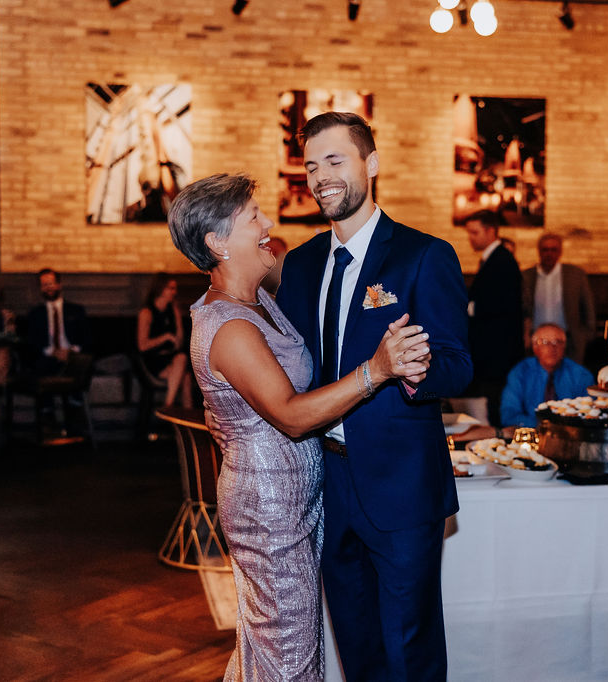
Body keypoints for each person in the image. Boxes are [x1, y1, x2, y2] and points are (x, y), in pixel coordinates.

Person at [167, 172, 430, 680]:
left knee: (273, 644)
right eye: (252, 219)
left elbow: (236, 396)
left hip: (292, 499)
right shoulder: (231, 326)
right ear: (217, 242)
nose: (268, 224)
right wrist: (376, 370)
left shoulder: (257, 300)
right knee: (289, 652)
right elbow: (288, 413)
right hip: (270, 511)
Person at [276, 111, 473, 681]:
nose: (321, 177)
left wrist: (414, 369)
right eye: (312, 166)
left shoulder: (423, 255)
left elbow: (458, 366)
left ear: (372, 163)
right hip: (326, 482)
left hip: (403, 487)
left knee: (409, 647)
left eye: (335, 160)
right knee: (355, 644)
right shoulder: (303, 262)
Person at [462, 208, 524, 426]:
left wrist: (464, 307)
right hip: (493, 350)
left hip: (497, 351)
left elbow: (497, 306)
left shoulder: (502, 261)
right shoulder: (493, 259)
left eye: (475, 232)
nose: (470, 238)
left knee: (495, 405)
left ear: (491, 231)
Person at [22, 268, 92, 434]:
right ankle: (47, 413)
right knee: (40, 365)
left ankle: (74, 408)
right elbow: (31, 344)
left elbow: (87, 339)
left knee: (81, 362)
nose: (48, 287)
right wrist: (51, 352)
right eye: (44, 285)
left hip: (72, 357)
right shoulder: (35, 314)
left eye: (51, 283)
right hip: (47, 358)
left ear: (59, 284)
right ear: (40, 288)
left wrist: (70, 351)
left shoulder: (76, 310)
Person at [521, 232, 596, 365]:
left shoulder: (575, 275)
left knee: (570, 381)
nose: (549, 253)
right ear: (539, 251)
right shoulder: (526, 277)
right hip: (536, 341)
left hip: (569, 340)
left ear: (560, 252)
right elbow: (522, 308)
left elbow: (587, 306)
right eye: (545, 249)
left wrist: (586, 335)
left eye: (553, 249)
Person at [500, 323, 593, 428]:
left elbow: (591, 415)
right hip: (531, 434)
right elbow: (508, 415)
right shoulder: (520, 372)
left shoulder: (581, 375)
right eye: (544, 342)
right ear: (534, 347)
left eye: (557, 342)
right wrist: (544, 426)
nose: (552, 348)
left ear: (564, 346)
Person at [136, 275, 193, 409]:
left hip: (171, 357)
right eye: (171, 288)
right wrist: (165, 337)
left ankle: (182, 420)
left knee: (186, 376)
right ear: (160, 289)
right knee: (182, 363)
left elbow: (178, 344)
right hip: (153, 360)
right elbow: (142, 346)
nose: (174, 292)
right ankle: (169, 407)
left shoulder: (172, 311)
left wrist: (177, 318)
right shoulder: (147, 312)